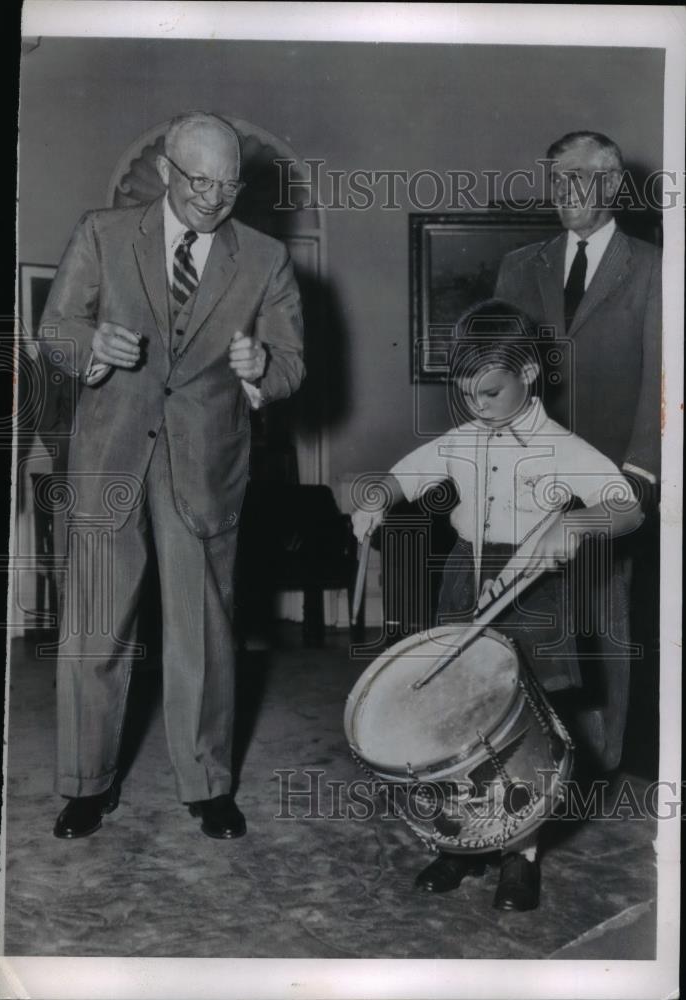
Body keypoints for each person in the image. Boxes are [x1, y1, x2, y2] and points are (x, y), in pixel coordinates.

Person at [38, 111, 304, 841]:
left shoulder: (265, 257)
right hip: (111, 456)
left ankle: (207, 783)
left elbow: (292, 360)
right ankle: (86, 784)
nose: (214, 199)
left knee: (204, 634)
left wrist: (263, 372)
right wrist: (93, 344)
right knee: (94, 628)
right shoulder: (101, 232)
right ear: (165, 171)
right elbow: (55, 330)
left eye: (229, 185)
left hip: (206, 464)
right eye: (199, 182)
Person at [351, 300, 643, 911]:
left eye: (489, 391)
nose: (476, 406)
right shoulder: (461, 438)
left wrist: (582, 523)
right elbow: (401, 478)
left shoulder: (565, 448)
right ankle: (461, 844)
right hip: (467, 577)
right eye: (466, 394)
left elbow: (628, 506)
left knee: (520, 730)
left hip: (535, 588)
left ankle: (522, 854)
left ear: (529, 374)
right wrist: (375, 496)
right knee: (460, 717)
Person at [495, 131, 661, 771]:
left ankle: (606, 766)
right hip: (529, 477)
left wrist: (634, 477)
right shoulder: (520, 266)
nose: (567, 191)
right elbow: (501, 370)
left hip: (613, 483)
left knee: (608, 627)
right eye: (557, 177)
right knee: (528, 626)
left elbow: (660, 385)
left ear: (614, 185)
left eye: (582, 177)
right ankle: (526, 767)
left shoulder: (653, 268)